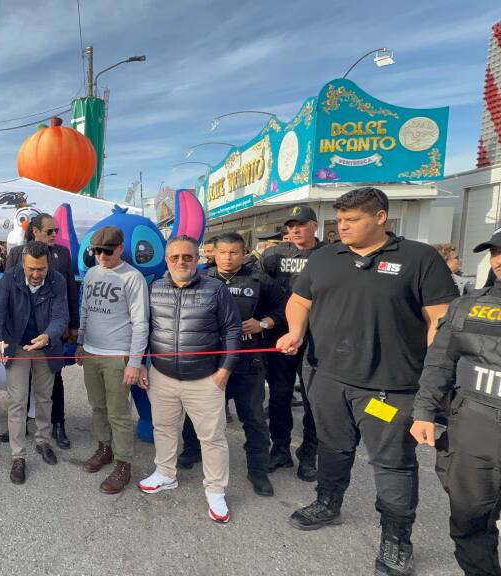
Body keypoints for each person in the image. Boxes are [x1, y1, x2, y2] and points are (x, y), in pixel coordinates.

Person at [277, 188, 457, 576]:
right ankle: (328, 502)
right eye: (339, 220)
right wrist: (295, 331)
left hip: (391, 386)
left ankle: (396, 540)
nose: (342, 227)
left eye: (352, 220)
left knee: (393, 464)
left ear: (380, 218)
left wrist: (435, 379)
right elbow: (300, 300)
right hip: (326, 378)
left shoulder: (419, 259)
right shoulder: (325, 256)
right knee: (332, 448)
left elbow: (440, 320)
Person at [412, 228, 501, 576]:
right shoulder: (467, 306)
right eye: (494, 252)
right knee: (470, 520)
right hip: (474, 430)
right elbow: (439, 364)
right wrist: (423, 412)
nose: (498, 260)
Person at [136, 235, 240, 522]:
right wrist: (143, 364)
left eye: (187, 257)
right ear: (166, 260)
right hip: (162, 375)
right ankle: (165, 473)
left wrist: (225, 370)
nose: (181, 262)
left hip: (205, 379)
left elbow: (232, 330)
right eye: (175, 257)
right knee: (164, 428)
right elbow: (144, 329)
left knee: (212, 438)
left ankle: (216, 490)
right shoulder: (154, 288)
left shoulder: (216, 289)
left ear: (197, 259)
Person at [177, 232, 287, 496]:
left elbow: (286, 308)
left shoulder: (260, 280)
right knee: (199, 414)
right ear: (213, 253)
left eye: (234, 252)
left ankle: (258, 470)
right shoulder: (202, 279)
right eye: (222, 252)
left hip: (248, 362)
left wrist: (263, 323)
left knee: (254, 419)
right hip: (210, 362)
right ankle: (192, 451)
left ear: (244, 253)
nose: (227, 257)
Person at [0, 240, 68, 484]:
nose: (35, 274)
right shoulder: (10, 279)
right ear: (23, 263)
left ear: (48, 264)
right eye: (31, 268)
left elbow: (61, 316)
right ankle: (17, 456)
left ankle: (43, 441)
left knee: (44, 398)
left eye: (40, 269)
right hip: (17, 346)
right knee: (17, 402)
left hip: (45, 346)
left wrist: (48, 336)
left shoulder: (58, 280)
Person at [76, 226, 149, 494]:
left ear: (120, 248)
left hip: (117, 355)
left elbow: (141, 323)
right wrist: (81, 342)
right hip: (92, 352)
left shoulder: (133, 277)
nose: (102, 256)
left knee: (118, 412)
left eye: (108, 251)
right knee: (97, 406)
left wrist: (134, 361)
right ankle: (104, 447)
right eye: (97, 251)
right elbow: (84, 309)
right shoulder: (92, 273)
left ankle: (123, 463)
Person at [3, 213, 80, 448]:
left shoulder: (63, 254)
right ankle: (21, 424)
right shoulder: (16, 254)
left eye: (56, 231)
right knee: (21, 380)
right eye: (50, 231)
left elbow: (70, 289)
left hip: (52, 330)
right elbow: (7, 293)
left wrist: (73, 326)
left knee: (54, 380)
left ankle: (58, 425)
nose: (55, 235)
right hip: (22, 331)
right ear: (34, 231)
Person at [261, 204, 324, 481]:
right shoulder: (275, 254)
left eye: (301, 224)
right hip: (281, 336)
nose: (295, 229)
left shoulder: (331, 255)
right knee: (280, 394)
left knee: (315, 400)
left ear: (315, 225)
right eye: (291, 225)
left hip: (318, 338)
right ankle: (281, 449)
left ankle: (309, 454)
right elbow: (262, 290)